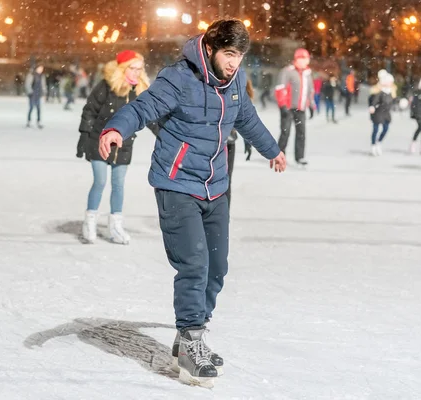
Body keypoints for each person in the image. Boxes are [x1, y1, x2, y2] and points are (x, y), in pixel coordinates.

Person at [98, 19, 287, 387]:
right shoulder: (179, 78)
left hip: (214, 186)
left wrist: (273, 149)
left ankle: (191, 336)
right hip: (176, 183)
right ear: (212, 49)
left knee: (217, 267)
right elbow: (142, 108)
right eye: (229, 54)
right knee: (194, 263)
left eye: (240, 55)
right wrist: (116, 127)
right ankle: (191, 341)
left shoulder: (233, 83)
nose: (235, 63)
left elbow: (246, 118)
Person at [77, 51, 154, 244]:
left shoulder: (141, 91)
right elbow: (90, 111)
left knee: (118, 185)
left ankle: (115, 226)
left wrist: (167, 135)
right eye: (132, 68)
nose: (136, 72)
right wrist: (84, 137)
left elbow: (151, 117)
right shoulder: (107, 86)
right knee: (100, 181)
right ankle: (90, 221)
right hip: (99, 141)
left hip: (124, 145)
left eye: (139, 69)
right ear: (123, 68)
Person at [275, 48, 315, 166]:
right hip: (288, 108)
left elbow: (310, 91)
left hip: (300, 108)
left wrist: (311, 105)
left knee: (301, 133)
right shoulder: (288, 71)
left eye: (305, 59)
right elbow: (280, 88)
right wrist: (282, 106)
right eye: (301, 59)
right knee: (285, 132)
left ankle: (300, 157)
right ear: (296, 60)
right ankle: (279, 154)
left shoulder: (307, 74)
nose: (303, 61)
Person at [225, 79, 254, 208]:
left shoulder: (239, 83)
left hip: (228, 142)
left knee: (225, 180)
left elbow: (244, 119)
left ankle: (222, 215)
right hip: (216, 141)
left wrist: (248, 142)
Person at [369, 70, 395, 156]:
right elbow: (374, 100)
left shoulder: (391, 92)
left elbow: (393, 101)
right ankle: (373, 145)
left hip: (386, 114)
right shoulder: (378, 91)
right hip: (377, 113)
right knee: (375, 129)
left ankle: (378, 141)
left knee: (385, 128)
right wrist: (372, 106)